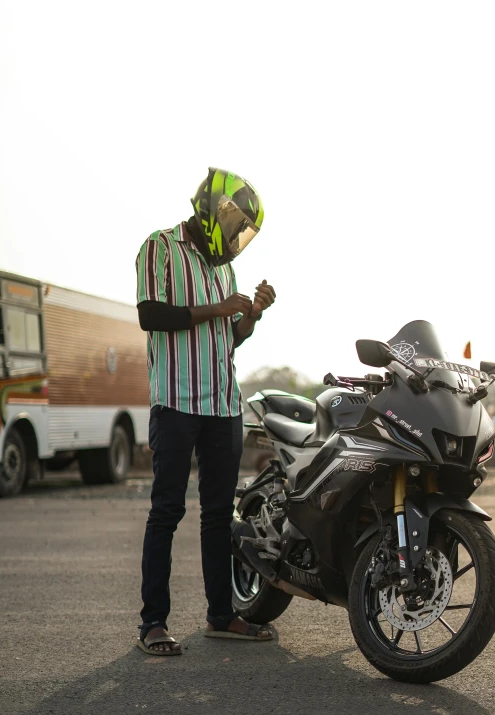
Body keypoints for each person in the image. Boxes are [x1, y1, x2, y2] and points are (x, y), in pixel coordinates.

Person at [135, 168, 276, 655]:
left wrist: (250, 314)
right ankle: (153, 623)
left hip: (223, 403)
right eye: (235, 225)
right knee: (167, 511)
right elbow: (150, 315)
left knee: (218, 514)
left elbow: (230, 339)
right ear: (216, 211)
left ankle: (222, 615)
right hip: (175, 401)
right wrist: (215, 310)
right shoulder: (161, 247)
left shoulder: (224, 268)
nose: (238, 239)